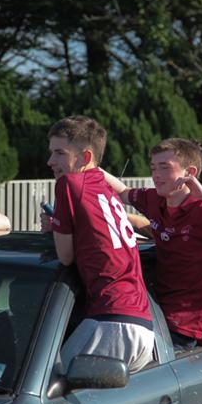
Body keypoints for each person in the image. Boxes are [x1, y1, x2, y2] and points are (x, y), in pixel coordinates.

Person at [103, 138, 202, 350]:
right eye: (153, 167)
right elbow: (124, 192)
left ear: (190, 173)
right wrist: (89, 167)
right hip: (172, 311)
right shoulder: (156, 200)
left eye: (164, 167)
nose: (156, 174)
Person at [46, 116, 154, 373]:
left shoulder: (69, 183)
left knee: (47, 383)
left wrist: (55, 229)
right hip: (141, 325)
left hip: (110, 322)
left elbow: (65, 256)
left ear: (85, 157)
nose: (50, 161)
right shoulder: (103, 187)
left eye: (59, 153)